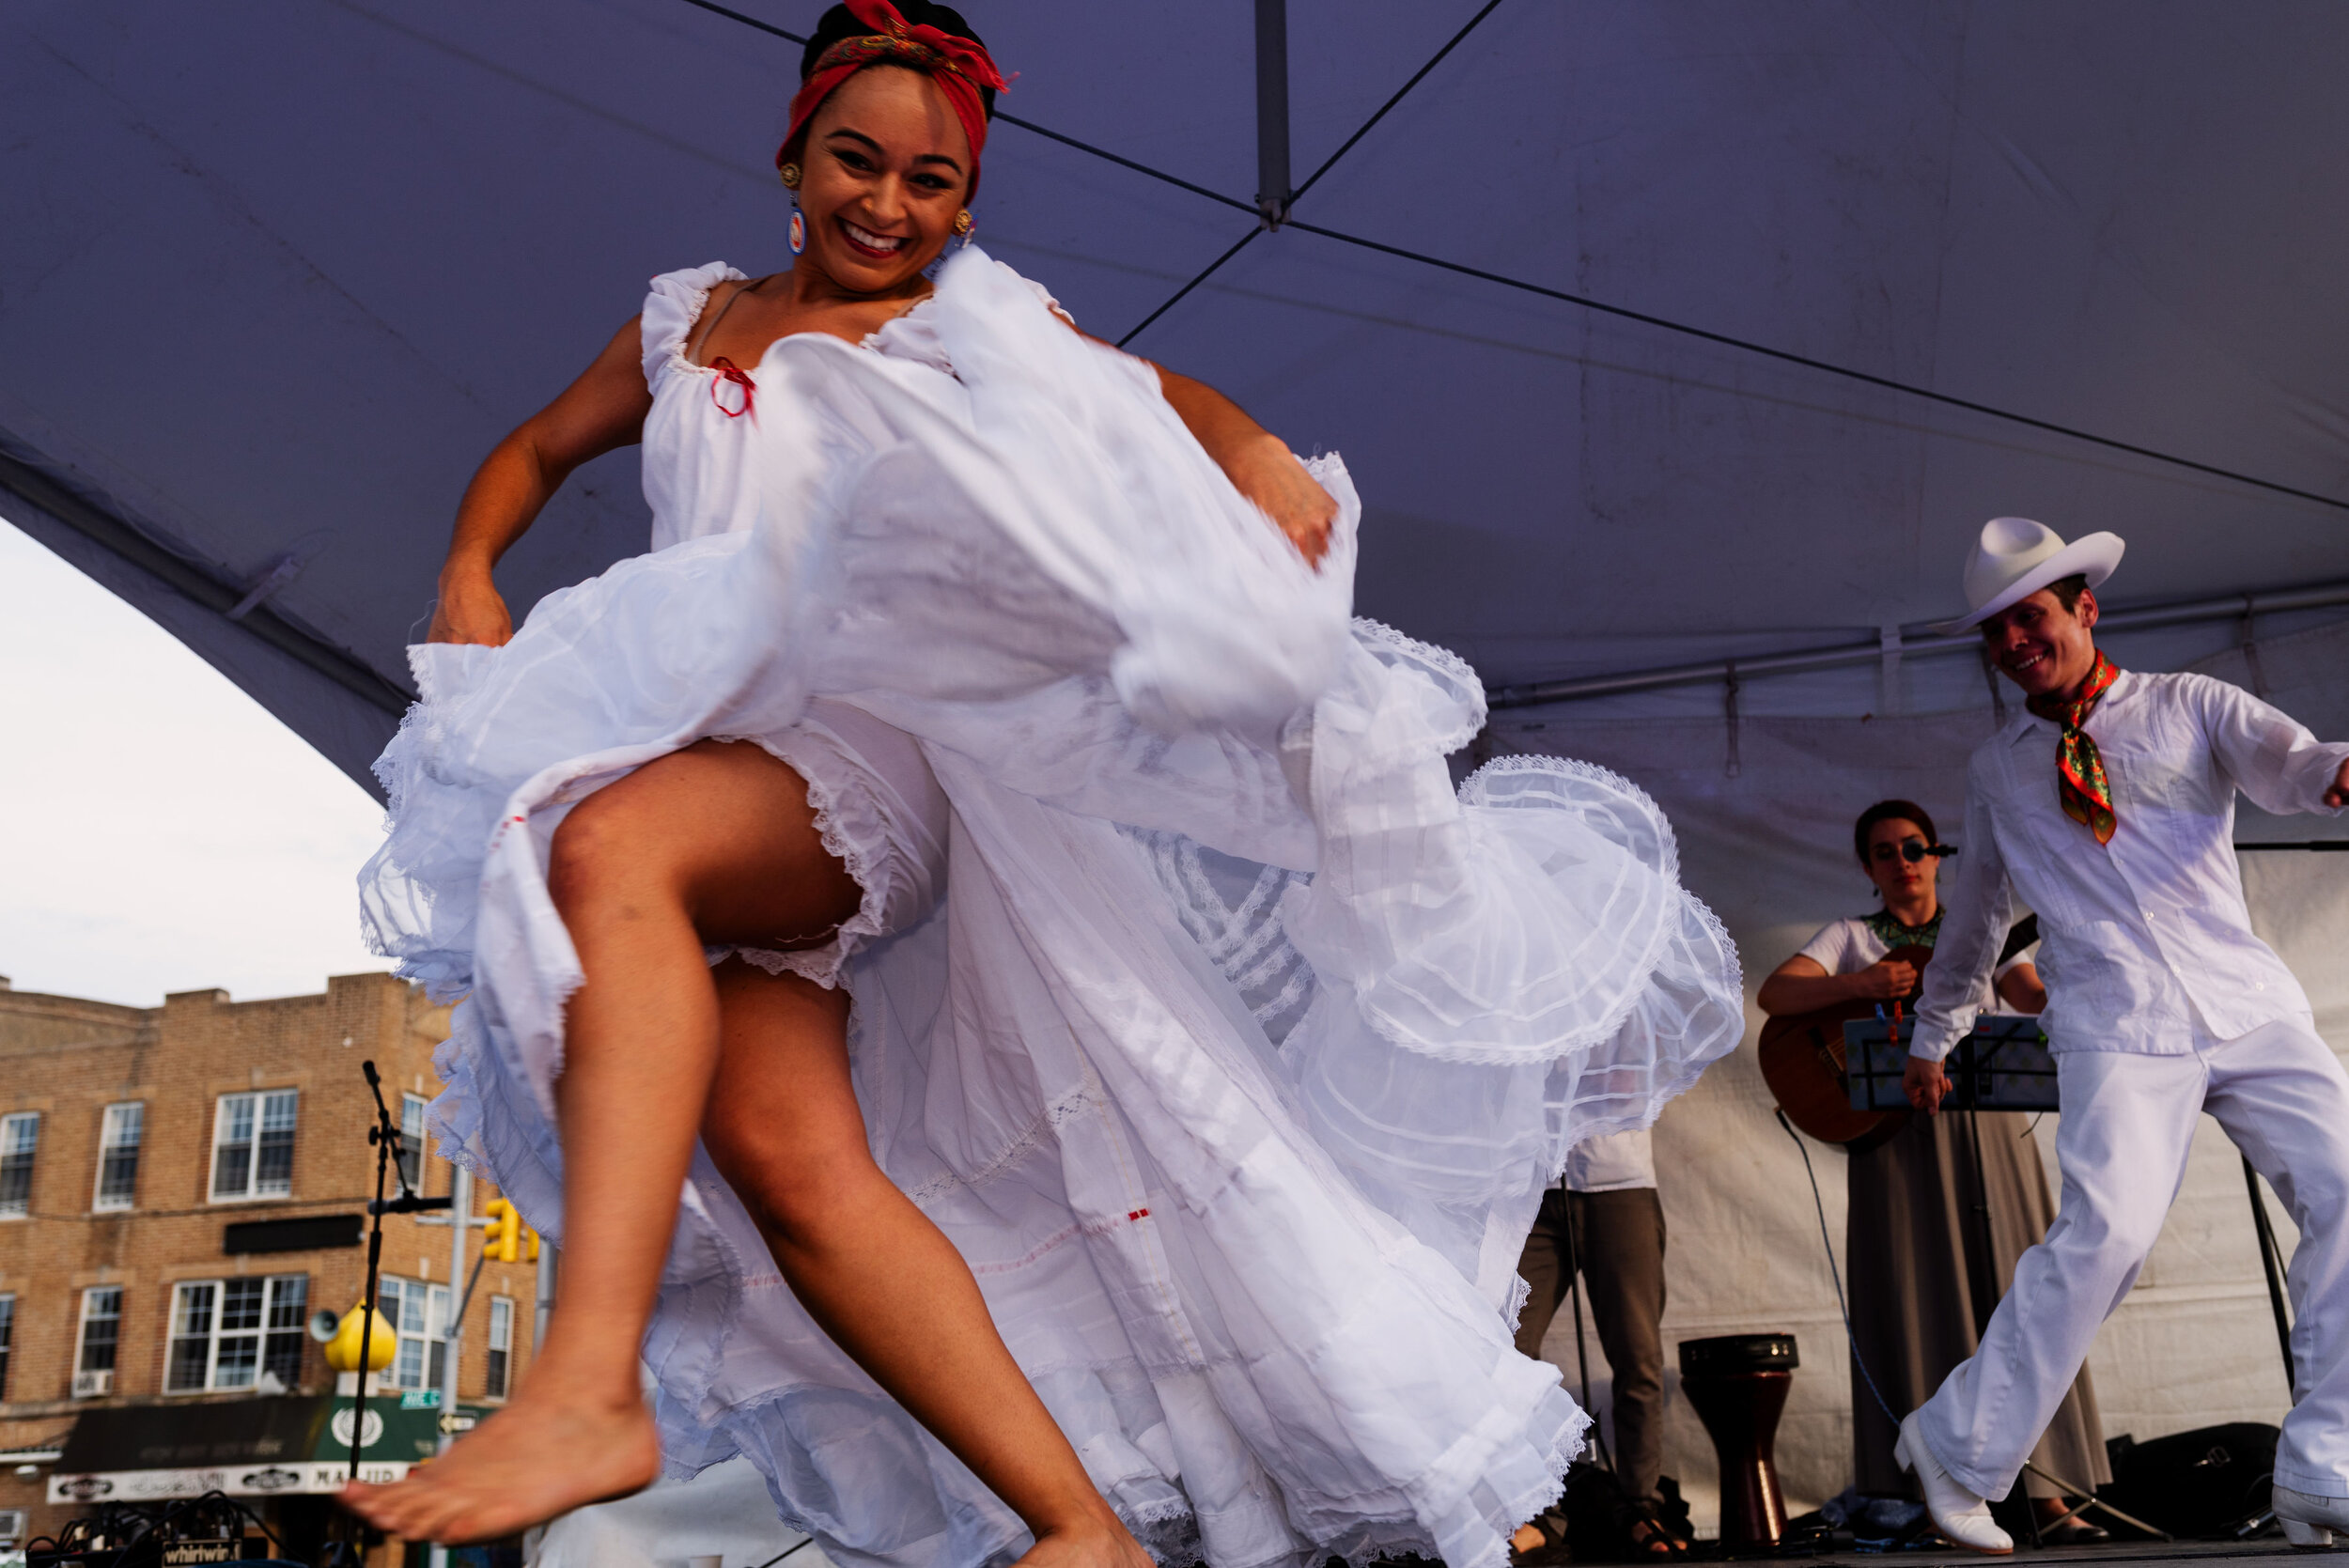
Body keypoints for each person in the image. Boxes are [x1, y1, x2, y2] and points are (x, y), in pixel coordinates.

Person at [348, 4, 1747, 1563]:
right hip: (716, 770)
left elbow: (1155, 396)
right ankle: (1080, 1522)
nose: (889, 206)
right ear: (794, 153)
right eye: (857, 163)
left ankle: (588, 1380)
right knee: (796, 1170)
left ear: (966, 200)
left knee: (598, 845)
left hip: (857, 761)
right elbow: (534, 450)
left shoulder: (965, 328)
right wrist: (472, 566)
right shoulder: (690, 319)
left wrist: (1260, 451)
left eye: (932, 182)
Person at [1890, 517, 2349, 1554]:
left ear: (2083, 608)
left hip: (2242, 1000)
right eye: (1995, 632)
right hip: (2113, 1016)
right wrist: (1932, 1035)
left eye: (2032, 617)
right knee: (2105, 1239)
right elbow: (1971, 920)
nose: (2014, 642)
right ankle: (1954, 1445)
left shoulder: (2188, 703)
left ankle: (2325, 1465)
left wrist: (2335, 770)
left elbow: (2286, 763)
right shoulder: (1999, 767)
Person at [1757, 800, 2108, 1544]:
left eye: (1914, 847)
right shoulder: (1850, 936)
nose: (1903, 860)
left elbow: (2033, 999)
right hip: (1898, 1140)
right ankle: (1920, 1488)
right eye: (1884, 851)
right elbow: (1777, 995)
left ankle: (2046, 1488)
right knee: (1915, 1293)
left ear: (1938, 854)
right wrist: (1861, 985)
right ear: (1868, 866)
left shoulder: (1980, 928)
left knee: (2026, 1293)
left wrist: (2081, 972)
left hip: (1988, 1133)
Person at [1507, 1128, 1681, 1560]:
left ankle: (1641, 1508)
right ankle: (1535, 1513)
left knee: (1636, 1355)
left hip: (1618, 1176)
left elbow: (1642, 1073)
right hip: (1531, 1180)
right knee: (1506, 1349)